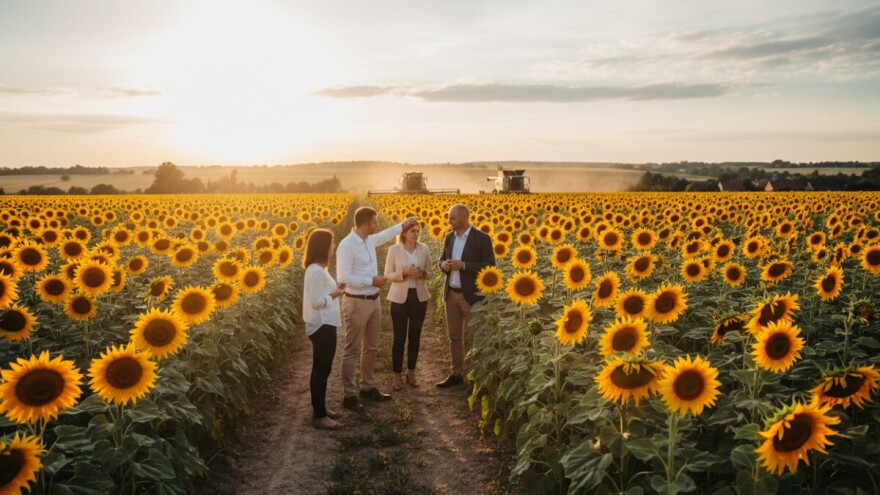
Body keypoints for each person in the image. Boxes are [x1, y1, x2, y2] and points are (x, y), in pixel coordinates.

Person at [336, 207, 418, 412]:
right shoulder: (347, 246)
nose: (377, 225)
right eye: (374, 222)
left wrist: (403, 225)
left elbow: (385, 235)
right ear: (364, 225)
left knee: (371, 347)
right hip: (356, 301)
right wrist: (370, 280)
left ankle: (367, 387)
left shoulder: (369, 240)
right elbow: (343, 278)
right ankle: (349, 394)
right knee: (352, 349)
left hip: (373, 300)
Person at [436, 204, 495, 388]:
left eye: (452, 218)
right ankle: (456, 374)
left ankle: (477, 376)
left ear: (463, 217)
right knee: (454, 337)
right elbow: (441, 259)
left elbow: (490, 266)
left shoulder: (481, 238)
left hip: (470, 296)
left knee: (475, 337)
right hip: (451, 294)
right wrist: (443, 265)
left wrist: (464, 265)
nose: (449, 221)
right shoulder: (449, 237)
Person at [302, 229, 346, 430]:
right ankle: (320, 416)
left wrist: (335, 288)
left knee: (322, 368)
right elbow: (317, 301)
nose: (333, 247)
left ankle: (321, 409)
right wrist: (335, 294)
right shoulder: (317, 271)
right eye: (331, 243)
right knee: (321, 369)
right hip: (322, 325)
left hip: (323, 323)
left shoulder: (317, 268)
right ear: (323, 246)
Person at [384, 221, 433, 390]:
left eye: (418, 231)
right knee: (399, 337)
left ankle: (411, 371)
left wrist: (423, 273)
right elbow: (387, 275)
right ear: (404, 233)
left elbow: (431, 273)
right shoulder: (394, 250)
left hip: (419, 297)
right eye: (413, 231)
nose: (416, 233)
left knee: (415, 336)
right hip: (399, 298)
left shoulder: (424, 249)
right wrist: (404, 273)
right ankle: (396, 374)